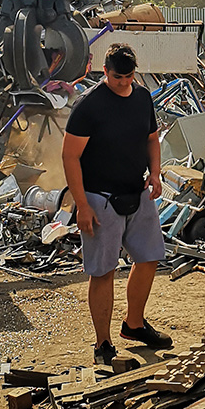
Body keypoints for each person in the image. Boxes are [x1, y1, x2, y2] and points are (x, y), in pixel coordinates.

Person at [62, 42, 172, 365]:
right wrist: (82, 205)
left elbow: (152, 138)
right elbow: (70, 157)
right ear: (105, 71)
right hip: (100, 200)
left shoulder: (141, 97)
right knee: (104, 271)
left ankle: (134, 324)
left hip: (137, 193)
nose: (123, 83)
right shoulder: (89, 107)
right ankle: (103, 344)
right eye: (117, 77)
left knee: (150, 258)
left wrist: (155, 173)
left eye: (128, 76)